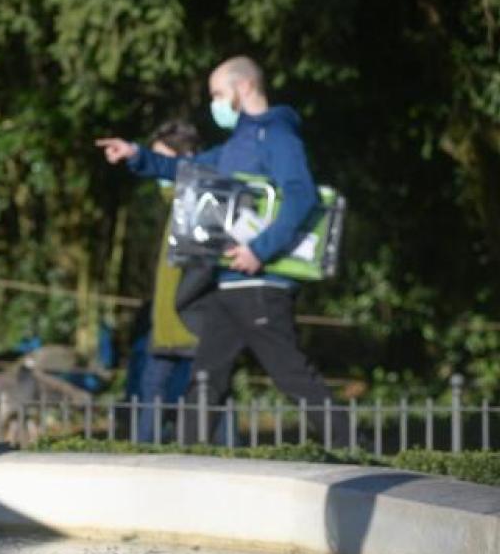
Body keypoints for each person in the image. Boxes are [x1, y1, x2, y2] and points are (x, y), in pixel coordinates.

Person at [96, 56, 346, 446]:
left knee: (290, 374)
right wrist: (135, 155)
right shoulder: (235, 145)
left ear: (244, 87)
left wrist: (260, 250)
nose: (214, 103)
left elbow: (302, 196)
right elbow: (187, 170)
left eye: (217, 93)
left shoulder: (278, 137)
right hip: (228, 283)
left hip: (261, 283)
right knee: (206, 379)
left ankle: (353, 449)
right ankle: (188, 461)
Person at [131, 120, 214, 442]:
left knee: (210, 393)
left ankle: (217, 454)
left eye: (164, 162)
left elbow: (206, 265)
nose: (159, 174)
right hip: (165, 321)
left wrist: (184, 299)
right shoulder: (174, 207)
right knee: (151, 387)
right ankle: (142, 453)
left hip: (192, 318)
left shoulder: (204, 204)